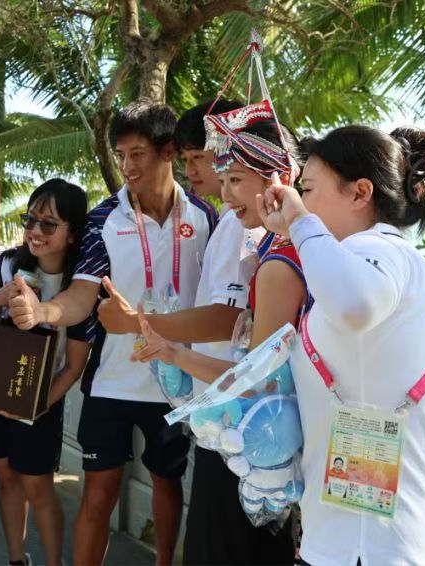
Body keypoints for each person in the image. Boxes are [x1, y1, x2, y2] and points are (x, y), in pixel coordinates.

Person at [257, 125, 425, 565]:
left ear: (360, 193)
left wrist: (299, 222)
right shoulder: (371, 261)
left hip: (391, 549)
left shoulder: (380, 249)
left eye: (307, 189)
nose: (298, 200)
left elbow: (355, 304)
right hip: (375, 543)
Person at [8, 101, 220, 565]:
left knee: (168, 483)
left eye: (137, 154)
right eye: (121, 155)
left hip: (177, 384)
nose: (127, 166)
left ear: (169, 152)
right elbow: (83, 295)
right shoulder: (104, 218)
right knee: (97, 495)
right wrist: (44, 311)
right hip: (111, 383)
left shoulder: (207, 217)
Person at [124, 103, 308, 563]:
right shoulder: (284, 244)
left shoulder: (279, 257)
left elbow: (257, 375)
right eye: (222, 180)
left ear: (281, 176)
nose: (225, 194)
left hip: (247, 430)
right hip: (251, 430)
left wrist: (170, 350)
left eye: (235, 179)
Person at [0, 179, 92, 566]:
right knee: (7, 481)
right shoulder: (10, 264)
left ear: (72, 233)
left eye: (49, 224)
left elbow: (74, 365)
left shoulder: (82, 285)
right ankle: (16, 560)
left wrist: (36, 407)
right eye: (31, 220)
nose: (35, 231)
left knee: (38, 487)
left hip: (41, 403)